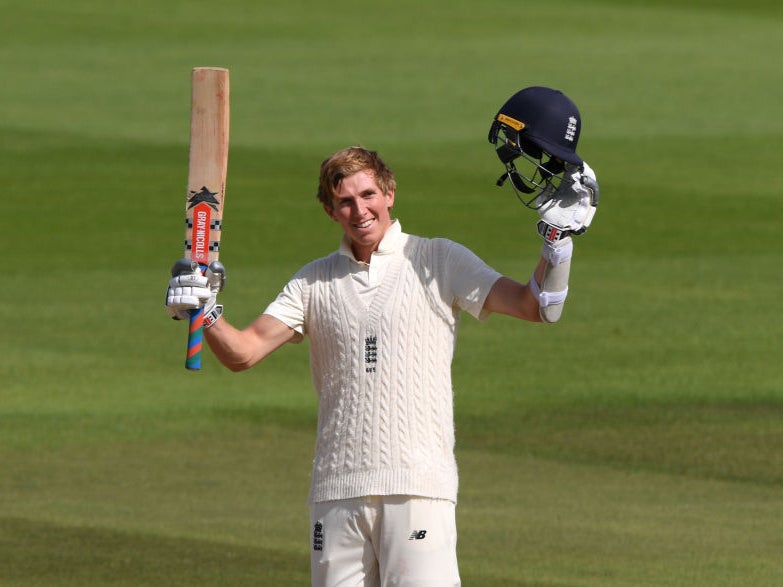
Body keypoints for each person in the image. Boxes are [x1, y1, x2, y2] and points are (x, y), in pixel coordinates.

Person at [165, 86, 598, 587]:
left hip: (417, 487)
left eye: (368, 195)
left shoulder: (440, 258)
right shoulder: (311, 281)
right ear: (330, 211)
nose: (360, 210)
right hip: (336, 490)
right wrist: (206, 310)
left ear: (389, 194)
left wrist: (557, 249)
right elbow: (244, 352)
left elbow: (537, 306)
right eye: (344, 202)